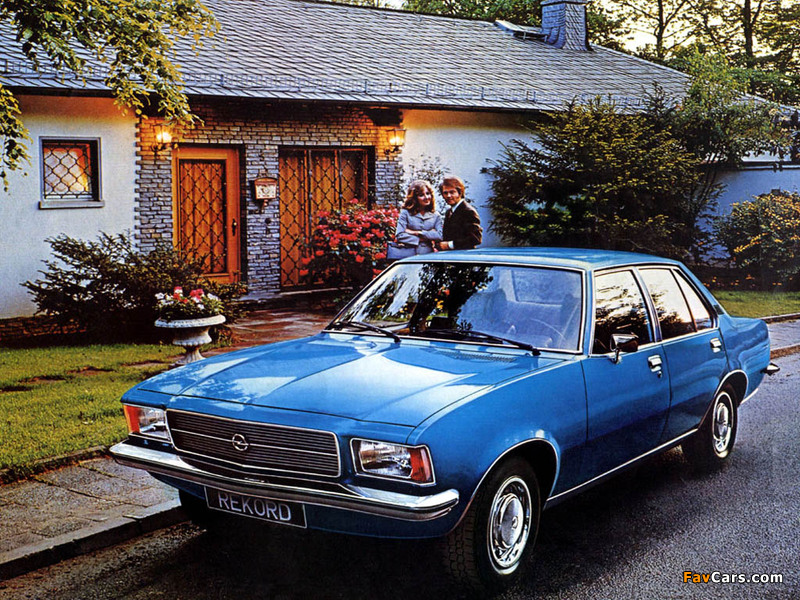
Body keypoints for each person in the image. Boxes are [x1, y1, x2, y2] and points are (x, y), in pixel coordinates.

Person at [394, 180, 443, 254]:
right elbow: (399, 235)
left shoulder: (436, 215)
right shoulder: (406, 213)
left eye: (428, 193)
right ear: (414, 198)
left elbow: (440, 236)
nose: (426, 197)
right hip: (408, 254)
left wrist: (417, 233)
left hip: (427, 255)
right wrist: (422, 238)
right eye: (421, 195)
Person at [437, 176, 482, 250]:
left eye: (452, 192)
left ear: (460, 193)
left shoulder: (468, 211)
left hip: (464, 255)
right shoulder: (449, 212)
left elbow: (475, 238)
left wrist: (449, 245)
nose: (448, 196)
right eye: (445, 193)